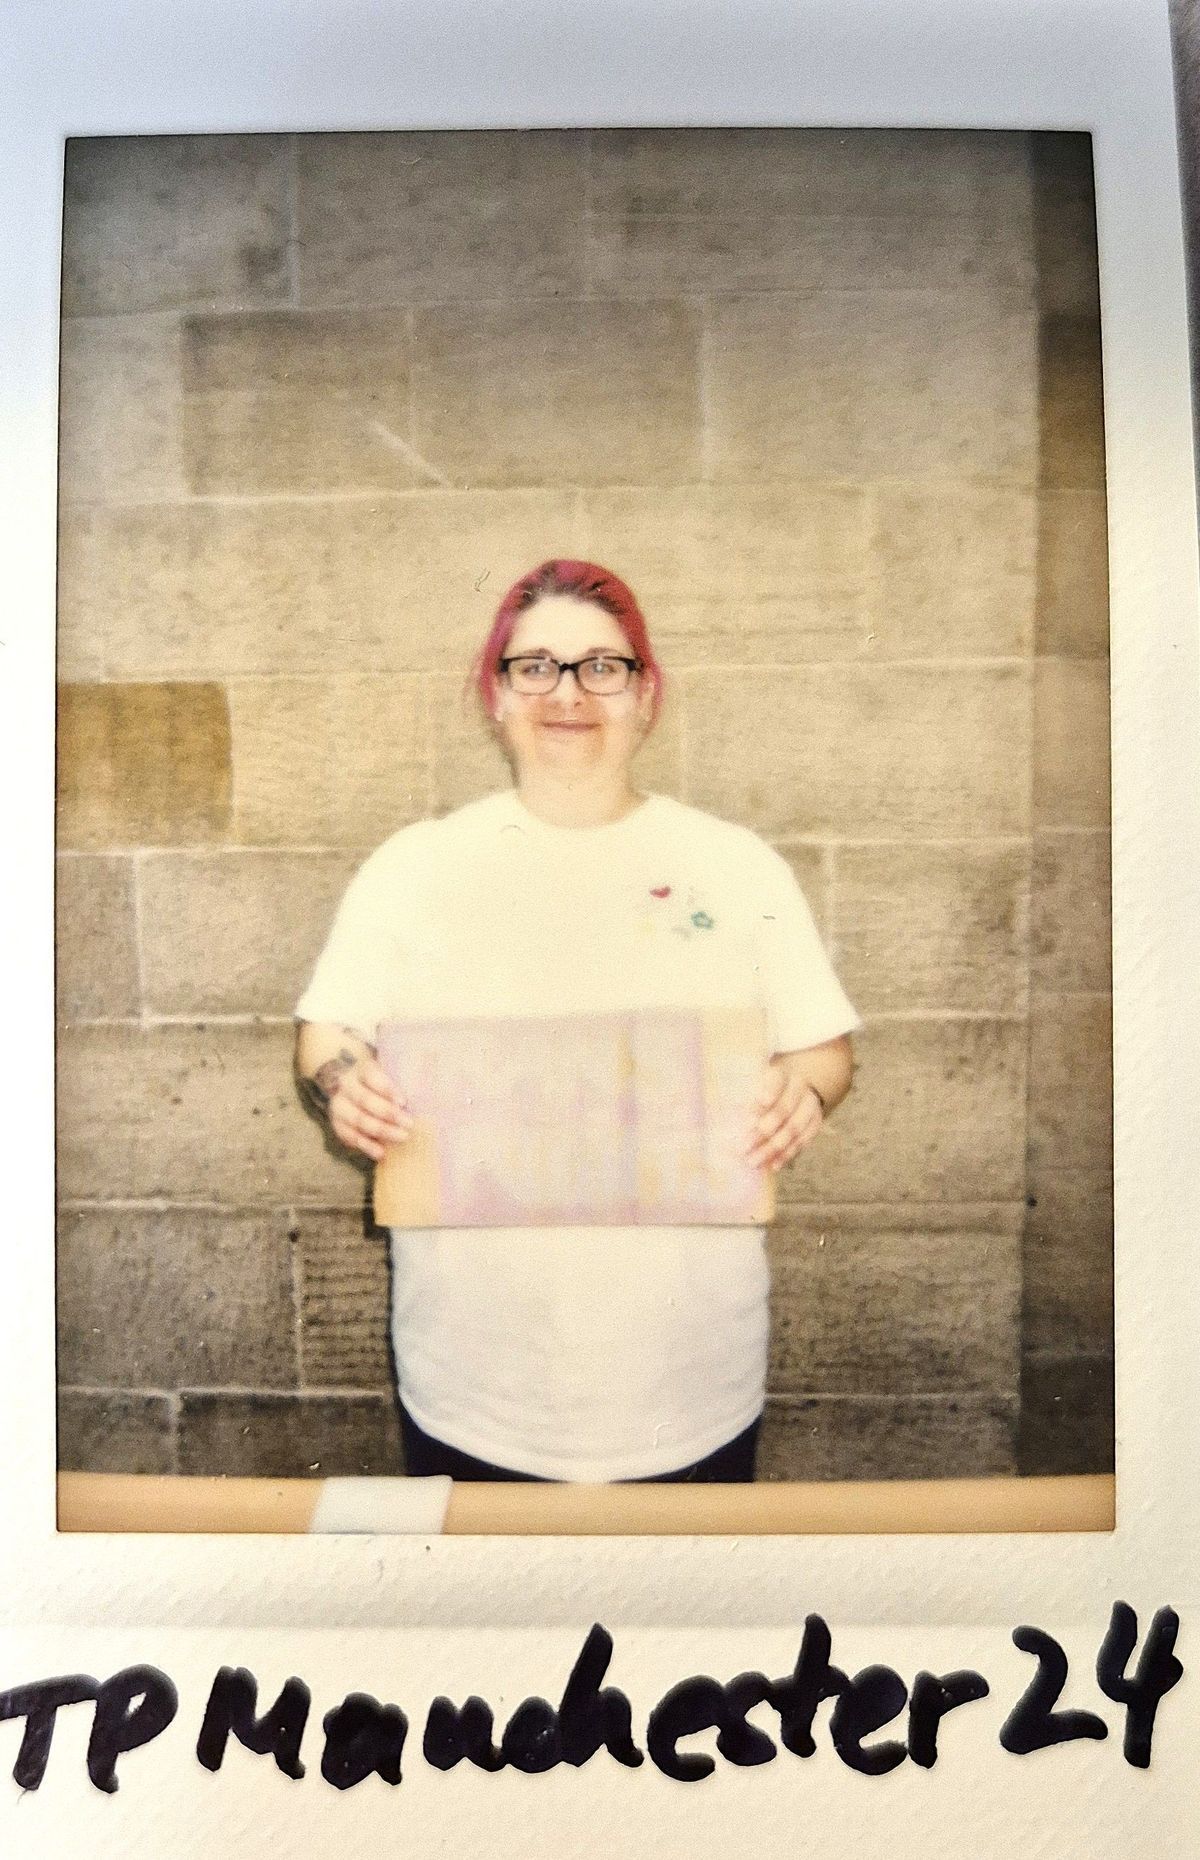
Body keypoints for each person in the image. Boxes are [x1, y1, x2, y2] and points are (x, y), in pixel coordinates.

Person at [294, 559, 859, 1485]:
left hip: (688, 1383)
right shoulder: (417, 866)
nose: (568, 693)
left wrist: (805, 1091)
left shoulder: (734, 865)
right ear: (497, 694)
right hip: (475, 1385)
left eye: (603, 666)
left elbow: (823, 1048)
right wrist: (343, 1085)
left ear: (647, 695)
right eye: (536, 666)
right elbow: (328, 1032)